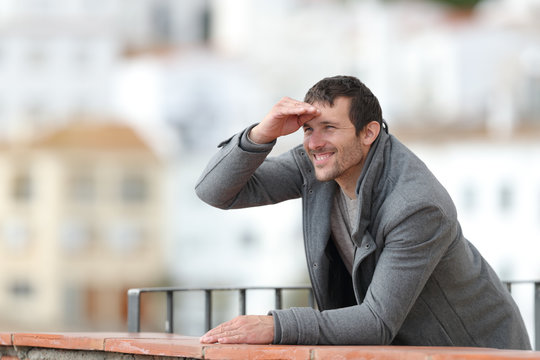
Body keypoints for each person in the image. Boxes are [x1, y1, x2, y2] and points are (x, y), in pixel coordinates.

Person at [195, 75, 531, 349]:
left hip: (479, 351)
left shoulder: (417, 206)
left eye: (329, 128)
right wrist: (262, 133)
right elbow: (214, 191)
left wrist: (274, 325)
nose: (314, 143)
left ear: (368, 132)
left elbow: (376, 322)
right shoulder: (316, 165)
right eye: (309, 129)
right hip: (410, 352)